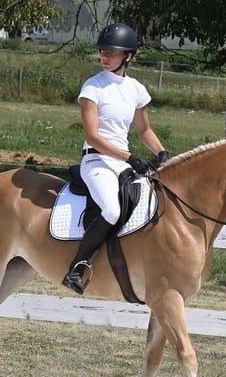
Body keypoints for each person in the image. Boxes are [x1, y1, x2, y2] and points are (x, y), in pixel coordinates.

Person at [62, 22, 169, 295]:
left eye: (112, 52)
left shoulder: (136, 89)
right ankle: (77, 267)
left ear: (128, 56)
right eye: (103, 51)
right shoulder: (92, 87)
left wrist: (161, 152)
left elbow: (144, 130)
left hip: (122, 164)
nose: (104, 56)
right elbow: (93, 135)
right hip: (97, 162)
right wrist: (130, 156)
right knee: (112, 210)